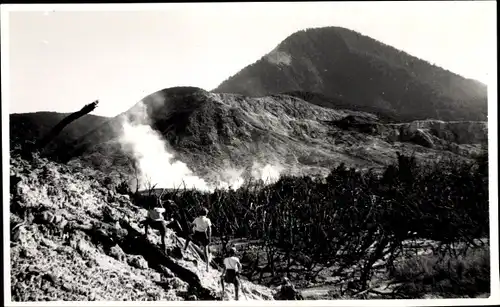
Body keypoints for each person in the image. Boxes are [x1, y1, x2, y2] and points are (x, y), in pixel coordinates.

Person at [184, 207, 212, 271]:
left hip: (196, 234)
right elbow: (209, 229)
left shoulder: (196, 219)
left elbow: (191, 225)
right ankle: (207, 266)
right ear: (206, 214)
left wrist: (192, 231)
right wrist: (209, 238)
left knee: (188, 237)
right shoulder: (207, 220)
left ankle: (185, 248)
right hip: (204, 235)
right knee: (206, 252)